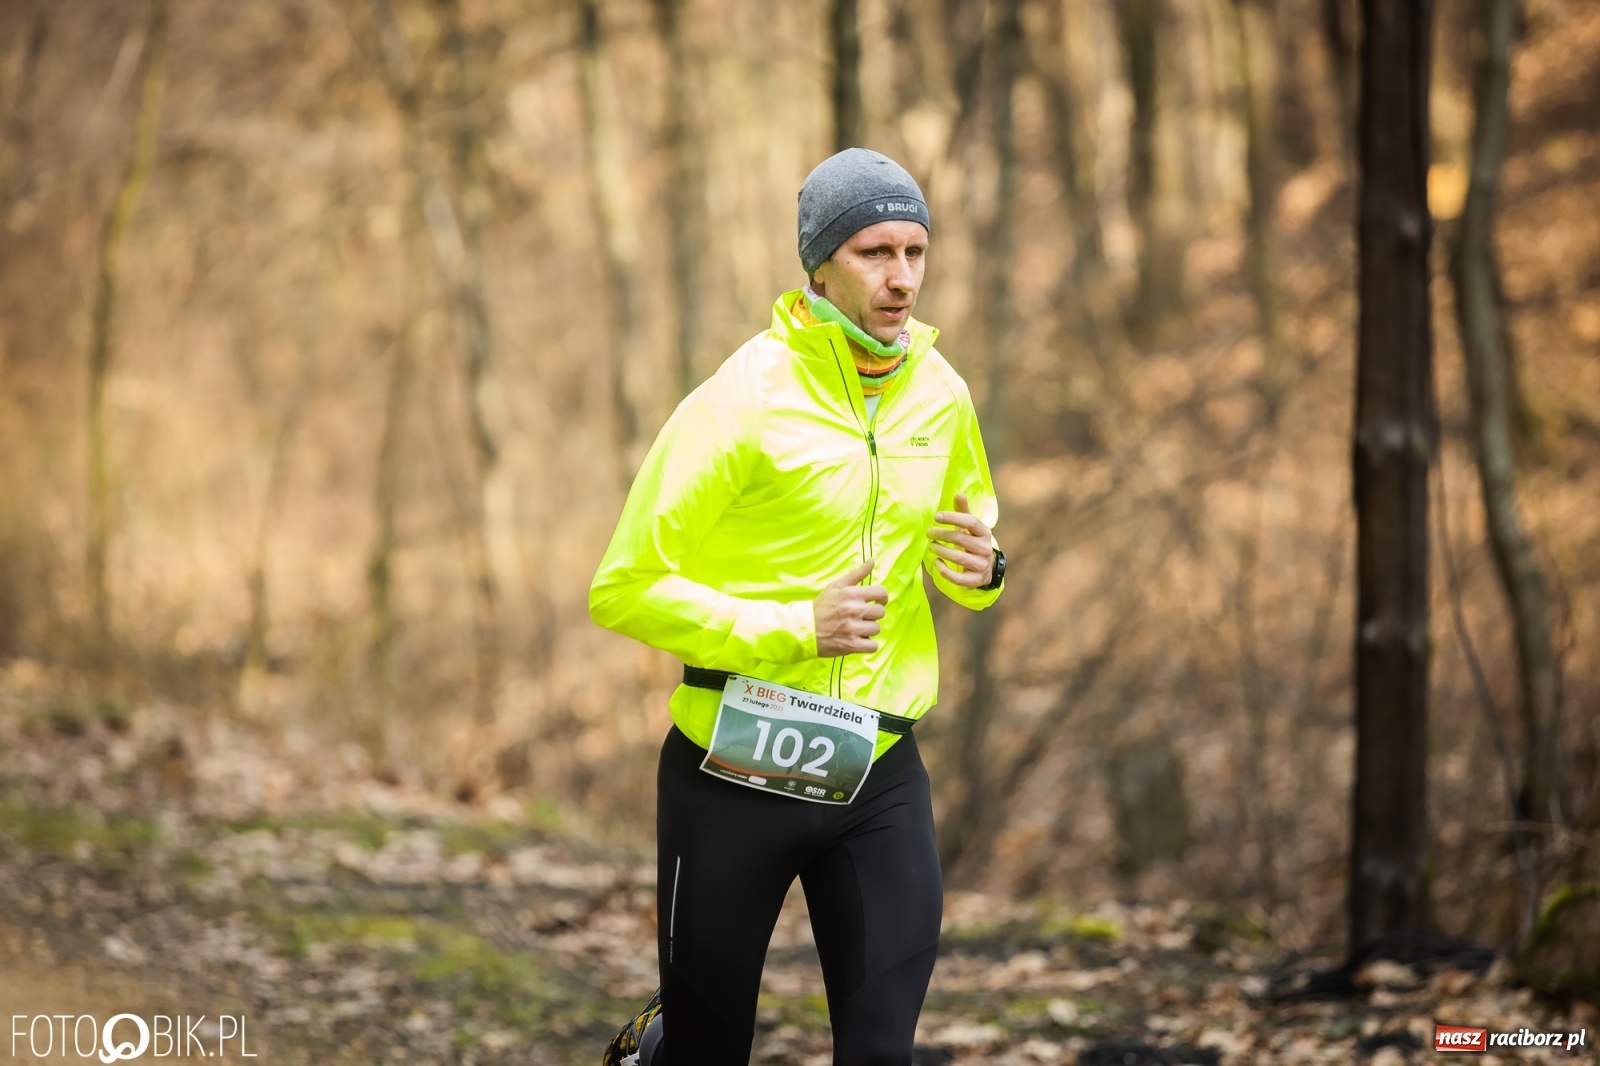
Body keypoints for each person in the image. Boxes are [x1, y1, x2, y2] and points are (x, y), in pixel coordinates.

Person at [593, 147, 1006, 1066]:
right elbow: (622, 587)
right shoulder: (738, 402)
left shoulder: (942, 396)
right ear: (819, 263)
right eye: (873, 253)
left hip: (877, 767)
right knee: (708, 1050)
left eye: (915, 251)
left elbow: (964, 543)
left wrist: (984, 570)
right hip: (731, 768)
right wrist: (790, 628)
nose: (902, 279)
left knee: (880, 1053)